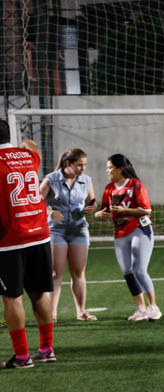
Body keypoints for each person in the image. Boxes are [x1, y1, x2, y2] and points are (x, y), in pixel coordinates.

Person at [0, 118, 56, 369]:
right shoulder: (29, 156)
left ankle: (22, 356)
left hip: (10, 239)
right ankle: (46, 349)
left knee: (12, 298)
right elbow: (32, 146)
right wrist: (23, 143)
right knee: (38, 292)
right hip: (39, 234)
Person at [94, 154, 161, 321]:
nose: (107, 171)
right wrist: (98, 215)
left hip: (140, 229)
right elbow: (104, 210)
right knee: (127, 271)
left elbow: (146, 210)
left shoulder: (135, 185)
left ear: (120, 169)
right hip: (120, 232)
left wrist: (125, 211)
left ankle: (154, 307)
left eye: (110, 168)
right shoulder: (109, 188)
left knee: (139, 269)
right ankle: (141, 309)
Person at [39, 148, 97, 322]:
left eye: (84, 165)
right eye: (79, 165)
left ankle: (81, 311)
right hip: (56, 231)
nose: (83, 168)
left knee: (78, 272)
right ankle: (52, 314)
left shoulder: (86, 180)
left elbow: (92, 202)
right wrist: (50, 213)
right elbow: (35, 201)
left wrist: (92, 207)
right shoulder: (51, 179)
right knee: (56, 273)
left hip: (79, 230)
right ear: (68, 164)